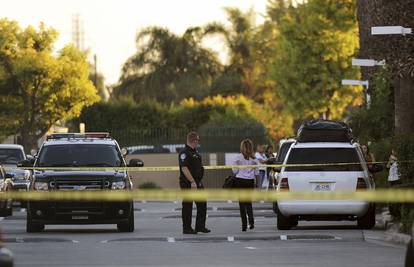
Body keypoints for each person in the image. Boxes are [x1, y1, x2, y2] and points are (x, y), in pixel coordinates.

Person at [178, 131, 210, 234]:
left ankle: (200, 226)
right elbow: (184, 168)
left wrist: (197, 181)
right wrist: (192, 182)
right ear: (194, 140)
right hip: (188, 183)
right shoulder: (184, 152)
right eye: (197, 140)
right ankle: (187, 228)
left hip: (197, 182)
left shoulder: (195, 152)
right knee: (188, 205)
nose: (198, 142)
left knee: (202, 203)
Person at [232, 138, 259, 232]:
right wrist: (257, 185)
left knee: (242, 204)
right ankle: (251, 222)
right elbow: (257, 173)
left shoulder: (238, 157)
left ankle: (244, 225)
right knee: (248, 203)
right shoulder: (254, 159)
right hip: (250, 181)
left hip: (240, 181)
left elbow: (234, 171)